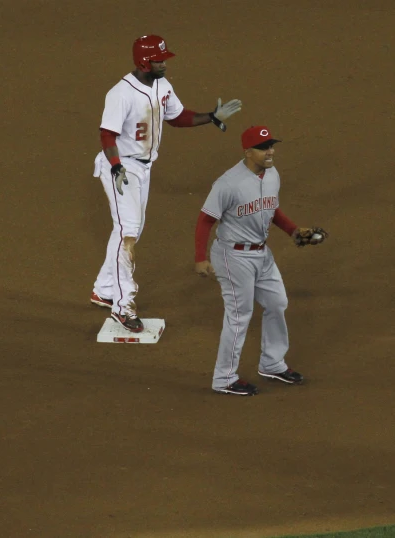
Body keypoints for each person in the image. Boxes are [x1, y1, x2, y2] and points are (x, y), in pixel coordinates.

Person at [90, 35, 243, 333]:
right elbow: (107, 135)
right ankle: (122, 307)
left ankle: (104, 290)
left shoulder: (162, 85)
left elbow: (176, 117)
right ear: (144, 61)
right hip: (121, 167)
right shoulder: (120, 93)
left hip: (143, 168)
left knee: (128, 229)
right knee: (128, 233)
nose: (164, 63)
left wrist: (210, 117)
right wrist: (116, 166)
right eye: (160, 60)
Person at [194, 125, 329, 396]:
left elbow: (271, 208)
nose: (270, 151)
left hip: (262, 254)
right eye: (263, 147)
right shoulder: (228, 183)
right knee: (239, 315)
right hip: (233, 256)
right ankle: (224, 378)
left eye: (271, 146)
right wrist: (200, 258)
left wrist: (293, 230)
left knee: (277, 303)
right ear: (247, 152)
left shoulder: (272, 175)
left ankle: (272, 363)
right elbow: (206, 219)